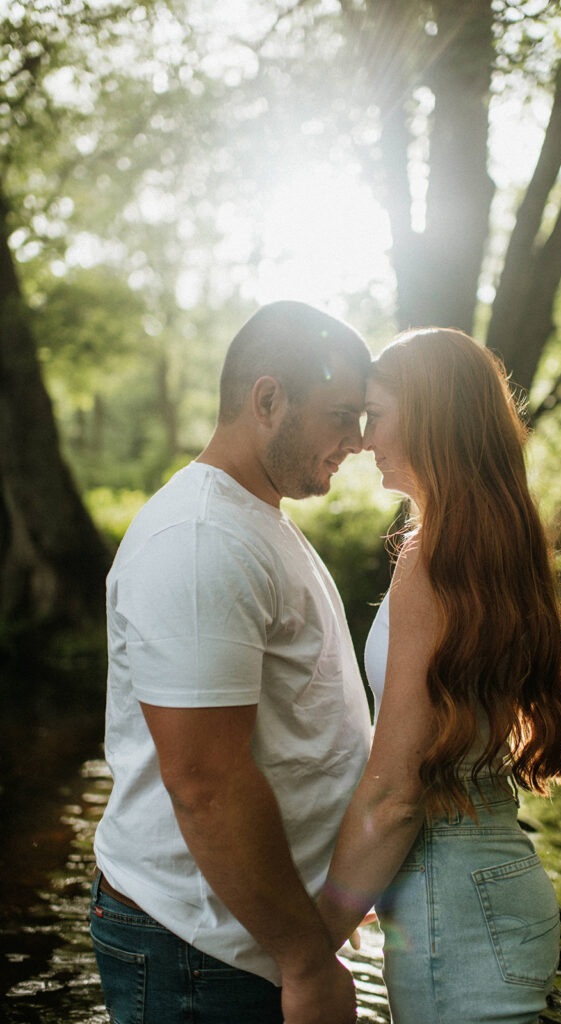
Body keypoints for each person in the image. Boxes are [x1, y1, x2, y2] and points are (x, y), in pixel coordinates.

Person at [90, 300, 373, 1024]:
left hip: (251, 936)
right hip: (199, 953)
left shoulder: (255, 519)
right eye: (343, 413)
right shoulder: (199, 538)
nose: (360, 440)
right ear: (269, 399)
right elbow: (205, 784)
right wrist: (305, 960)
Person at [317, 327, 561, 1024]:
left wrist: (314, 941)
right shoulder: (497, 545)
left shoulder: (431, 558)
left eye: (377, 414)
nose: (366, 439)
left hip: (456, 905)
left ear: (430, 415)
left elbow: (397, 792)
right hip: (500, 885)